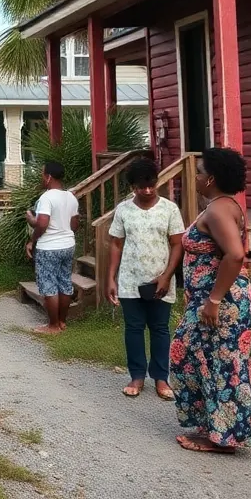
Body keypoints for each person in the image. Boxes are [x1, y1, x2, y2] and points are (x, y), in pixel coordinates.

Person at [169, 147, 251, 453]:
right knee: (196, 358)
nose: (196, 175)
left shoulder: (219, 210)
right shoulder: (222, 205)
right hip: (209, 299)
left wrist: (214, 300)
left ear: (212, 179)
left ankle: (223, 438)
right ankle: (213, 426)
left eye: (200, 171)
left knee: (219, 364)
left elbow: (235, 255)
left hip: (223, 301)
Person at [105, 156, 185, 399]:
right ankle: (137, 376)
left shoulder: (169, 209)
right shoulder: (123, 210)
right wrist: (111, 277)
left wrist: (167, 276)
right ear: (133, 187)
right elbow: (116, 244)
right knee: (134, 328)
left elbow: (177, 244)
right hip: (130, 280)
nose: (148, 190)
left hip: (160, 280)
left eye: (151, 185)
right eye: (142, 186)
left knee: (160, 329)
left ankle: (161, 378)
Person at [25, 160, 80, 334]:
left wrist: (31, 222)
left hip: (49, 247)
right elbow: (75, 224)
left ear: (48, 177)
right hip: (68, 245)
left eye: (42, 174)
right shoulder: (70, 197)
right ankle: (62, 321)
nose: (42, 177)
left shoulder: (46, 198)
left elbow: (42, 224)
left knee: (48, 285)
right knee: (64, 283)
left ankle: (53, 326)